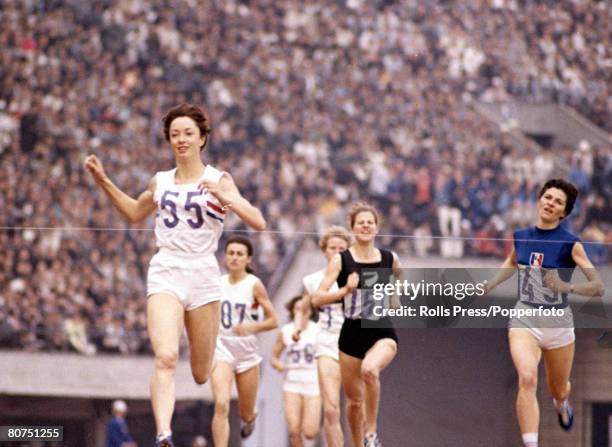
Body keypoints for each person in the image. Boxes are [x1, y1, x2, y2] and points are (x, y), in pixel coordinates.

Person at [85, 103, 266, 447]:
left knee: (201, 373)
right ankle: (163, 433)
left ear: (202, 138)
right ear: (168, 140)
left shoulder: (217, 178)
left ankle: (245, 397)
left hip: (202, 271)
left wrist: (229, 198)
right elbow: (135, 213)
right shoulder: (161, 181)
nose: (181, 139)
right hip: (166, 268)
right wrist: (104, 181)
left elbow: (258, 221)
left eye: (188, 133)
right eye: (174, 134)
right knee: (165, 356)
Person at [485, 179, 604, 447]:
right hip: (524, 318)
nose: (551, 203)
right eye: (548, 197)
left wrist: (566, 286)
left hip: (558, 323)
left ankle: (562, 404)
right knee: (527, 377)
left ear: (564, 212)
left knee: (558, 389)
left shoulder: (570, 243)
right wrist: (492, 283)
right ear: (539, 200)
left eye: (558, 202)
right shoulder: (522, 235)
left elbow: (597, 287)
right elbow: (513, 261)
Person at [313, 203, 401, 447]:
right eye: (360, 222)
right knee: (353, 402)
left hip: (381, 329)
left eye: (369, 222)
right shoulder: (341, 261)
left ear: (376, 228)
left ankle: (371, 434)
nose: (365, 225)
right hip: (351, 333)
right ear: (352, 228)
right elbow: (316, 298)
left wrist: (394, 297)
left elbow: (399, 277)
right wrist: (345, 290)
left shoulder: (389, 258)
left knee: (370, 370)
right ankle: (358, 443)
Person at [211, 237, 278, 446]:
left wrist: (250, 327)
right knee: (221, 403)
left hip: (247, 351)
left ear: (248, 259)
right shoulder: (216, 283)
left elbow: (273, 320)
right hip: (222, 347)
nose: (234, 258)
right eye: (231, 253)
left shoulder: (254, 285)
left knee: (246, 412)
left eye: (239, 254)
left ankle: (250, 420)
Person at [297, 226, 351, 447]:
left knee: (355, 404)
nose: (337, 252)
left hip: (354, 341)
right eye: (332, 248)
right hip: (327, 342)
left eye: (342, 248)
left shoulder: (359, 277)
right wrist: (298, 328)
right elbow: (303, 308)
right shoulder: (312, 280)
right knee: (330, 407)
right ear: (324, 251)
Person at [271, 296, 322, 447]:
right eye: (297, 309)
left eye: (304, 308)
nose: (301, 312)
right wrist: (278, 365)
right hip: (292, 381)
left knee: (310, 431)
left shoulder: (318, 330)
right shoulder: (286, 331)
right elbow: (274, 356)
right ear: (292, 311)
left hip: (313, 381)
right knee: (294, 429)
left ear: (311, 311)